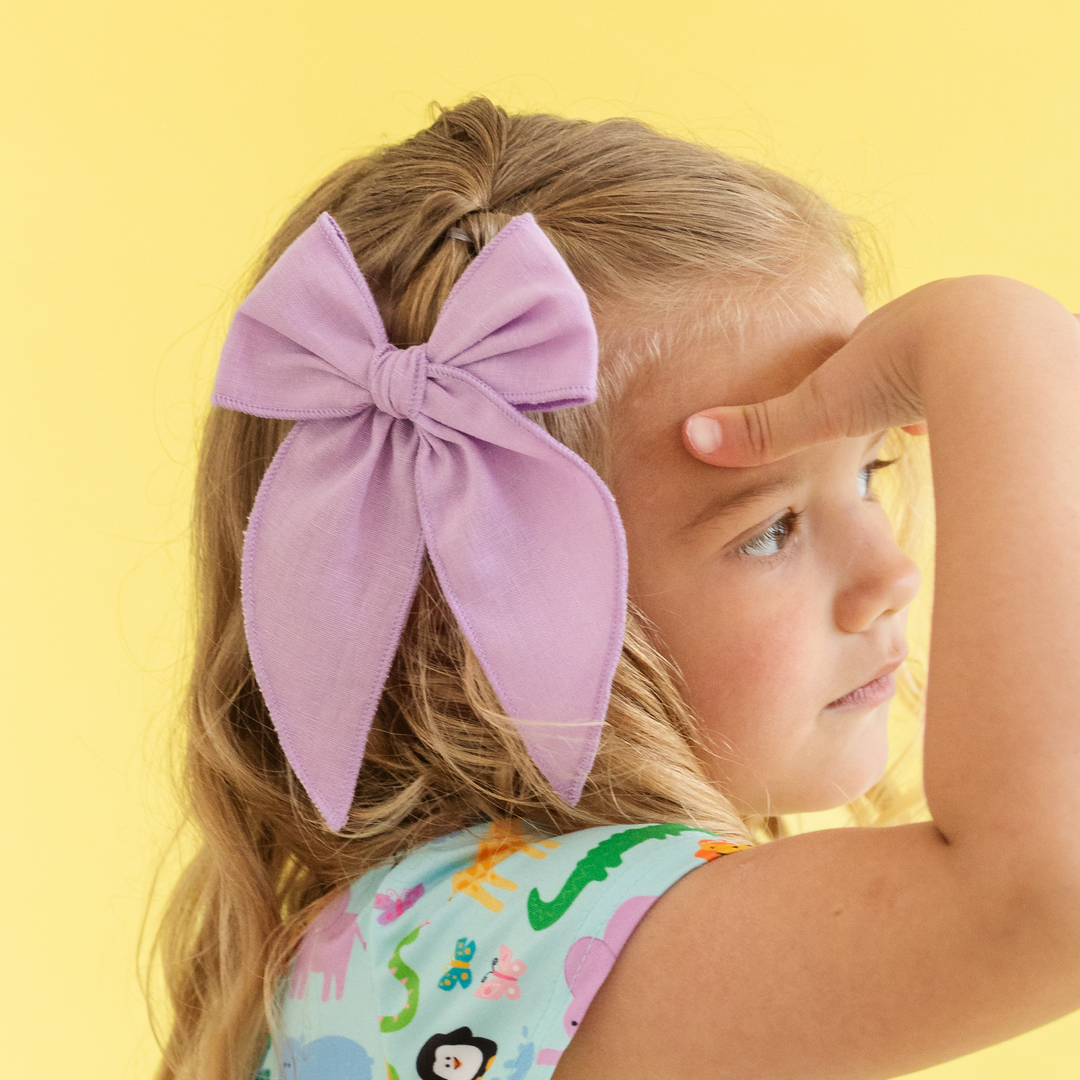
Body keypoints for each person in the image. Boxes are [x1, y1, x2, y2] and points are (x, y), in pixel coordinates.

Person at [152, 96, 1080, 1080]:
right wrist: (1006, 339)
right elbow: (1047, 897)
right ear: (458, 624)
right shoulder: (522, 946)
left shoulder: (414, 939)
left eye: (870, 475)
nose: (890, 576)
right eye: (770, 530)